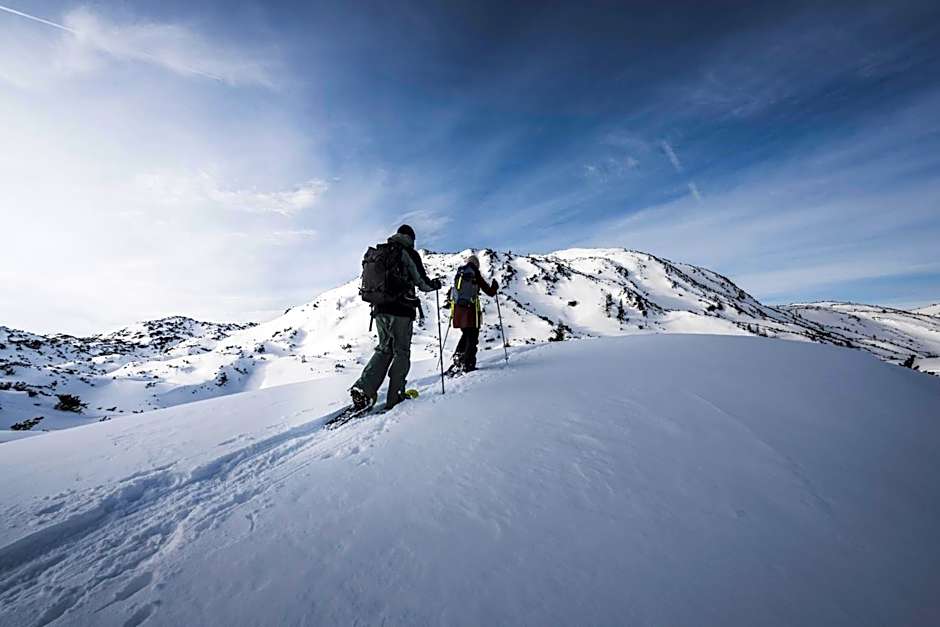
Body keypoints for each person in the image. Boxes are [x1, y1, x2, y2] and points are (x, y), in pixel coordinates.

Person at [351, 225, 442, 411]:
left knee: (384, 349)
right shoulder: (408, 253)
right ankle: (396, 396)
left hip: (379, 309)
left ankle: (364, 389)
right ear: (411, 238)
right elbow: (422, 283)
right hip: (401, 310)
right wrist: (435, 285)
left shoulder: (382, 251)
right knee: (401, 352)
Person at [450, 254, 498, 373]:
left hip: (458, 311)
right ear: (476, 264)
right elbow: (490, 292)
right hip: (471, 311)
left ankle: (458, 356)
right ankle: (468, 364)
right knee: (472, 337)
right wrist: (494, 287)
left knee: (466, 334)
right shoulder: (474, 273)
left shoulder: (460, 273)